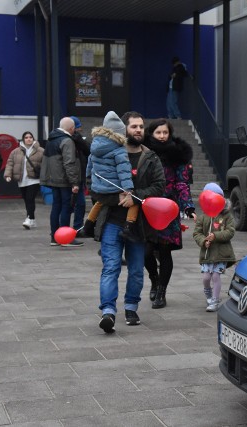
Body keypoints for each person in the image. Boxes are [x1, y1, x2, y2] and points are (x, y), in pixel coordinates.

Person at [95, 111, 165, 333]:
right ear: (123, 129)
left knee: (136, 269)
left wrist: (135, 196)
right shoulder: (108, 153)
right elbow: (94, 189)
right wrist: (115, 198)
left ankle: (131, 307)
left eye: (141, 127)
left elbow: (159, 186)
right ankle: (108, 312)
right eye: (134, 126)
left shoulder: (150, 157)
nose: (138, 130)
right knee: (111, 268)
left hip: (139, 225)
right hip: (112, 222)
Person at [143, 118, 196, 309]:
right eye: (158, 133)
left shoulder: (177, 154)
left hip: (168, 208)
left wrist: (188, 206)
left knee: (165, 251)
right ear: (151, 133)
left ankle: (162, 292)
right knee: (145, 251)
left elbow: (182, 183)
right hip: (147, 206)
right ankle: (154, 279)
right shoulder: (144, 151)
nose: (162, 136)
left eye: (165, 132)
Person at [83, 111, 139, 241]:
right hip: (114, 187)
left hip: (99, 187)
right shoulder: (119, 150)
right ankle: (128, 227)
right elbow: (123, 171)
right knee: (134, 202)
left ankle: (88, 225)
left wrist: (90, 182)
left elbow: (89, 167)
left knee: (100, 202)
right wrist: (128, 189)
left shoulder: (94, 147)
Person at [192, 183, 236, 312]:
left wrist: (216, 236)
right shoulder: (203, 216)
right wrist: (203, 241)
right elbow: (197, 233)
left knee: (216, 276)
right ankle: (209, 296)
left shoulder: (226, 215)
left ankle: (215, 301)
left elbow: (230, 231)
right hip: (207, 253)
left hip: (221, 253)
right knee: (206, 278)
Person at [40, 117, 83, 247]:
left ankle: (54, 237)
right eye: (74, 128)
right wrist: (75, 182)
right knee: (66, 207)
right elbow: (69, 163)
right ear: (71, 128)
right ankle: (65, 238)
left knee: (56, 207)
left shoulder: (51, 140)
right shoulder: (67, 140)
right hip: (64, 180)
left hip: (53, 180)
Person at [4, 131, 44, 229]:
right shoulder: (16, 151)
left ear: (33, 138)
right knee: (27, 200)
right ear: (23, 139)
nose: (29, 139)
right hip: (22, 180)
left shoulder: (40, 151)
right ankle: (32, 220)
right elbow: (10, 163)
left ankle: (29, 218)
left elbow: (46, 164)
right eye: (26, 137)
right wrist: (7, 175)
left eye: (30, 137)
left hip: (34, 179)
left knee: (30, 199)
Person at [70, 116, 90, 236]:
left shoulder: (80, 141)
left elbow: (88, 150)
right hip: (72, 177)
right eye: (78, 127)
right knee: (73, 203)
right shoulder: (66, 140)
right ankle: (74, 228)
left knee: (80, 203)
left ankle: (77, 228)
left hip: (80, 176)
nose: (81, 129)